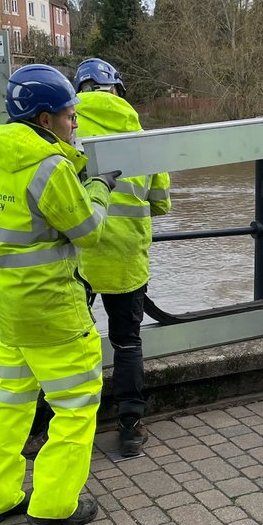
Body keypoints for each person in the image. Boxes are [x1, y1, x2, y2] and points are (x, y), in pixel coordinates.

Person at [0, 64, 121, 525]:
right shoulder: (50, 167)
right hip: (52, 310)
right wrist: (99, 187)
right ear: (44, 119)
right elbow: (89, 230)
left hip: (8, 307)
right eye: (68, 113)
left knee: (10, 402)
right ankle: (56, 503)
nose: (75, 120)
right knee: (76, 406)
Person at [73, 59, 172, 457]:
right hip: (126, 259)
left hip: (76, 257)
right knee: (127, 342)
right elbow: (161, 203)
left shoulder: (67, 130)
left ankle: (63, 426)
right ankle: (130, 429)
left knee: (70, 343)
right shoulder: (141, 136)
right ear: (118, 91)